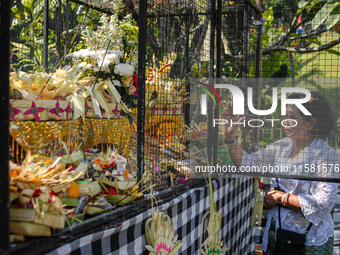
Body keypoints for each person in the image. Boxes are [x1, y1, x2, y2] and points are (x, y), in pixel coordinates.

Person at [223, 91, 339, 254]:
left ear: (310, 123)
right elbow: (247, 163)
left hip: (310, 243)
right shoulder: (282, 146)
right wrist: (230, 138)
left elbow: (322, 205)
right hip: (278, 235)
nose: (285, 122)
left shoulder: (326, 155)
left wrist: (280, 198)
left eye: (291, 116)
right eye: (285, 115)